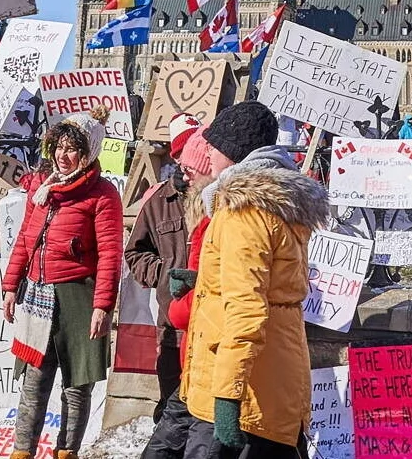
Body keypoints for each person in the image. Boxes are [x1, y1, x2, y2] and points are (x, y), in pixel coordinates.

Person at [180, 102, 325, 459]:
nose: (208, 154)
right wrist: (205, 280)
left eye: (213, 146)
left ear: (233, 152)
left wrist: (228, 396)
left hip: (243, 394)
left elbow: (247, 309)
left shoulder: (243, 211)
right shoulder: (275, 203)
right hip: (272, 381)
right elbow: (269, 283)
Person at [3, 107, 123, 459]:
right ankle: (22, 452)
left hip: (78, 298)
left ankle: (66, 453)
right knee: (34, 382)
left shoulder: (102, 195)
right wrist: (11, 286)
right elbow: (26, 239)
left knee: (76, 387)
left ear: (88, 154)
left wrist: (102, 305)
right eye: (58, 146)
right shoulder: (41, 189)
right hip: (39, 293)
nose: (62, 155)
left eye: (72, 149)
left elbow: (110, 255)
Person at [125, 115, 201, 412]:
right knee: (172, 406)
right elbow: (135, 253)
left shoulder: (219, 197)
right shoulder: (159, 201)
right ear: (176, 155)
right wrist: (164, 275)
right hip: (171, 327)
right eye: (185, 150)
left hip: (211, 327)